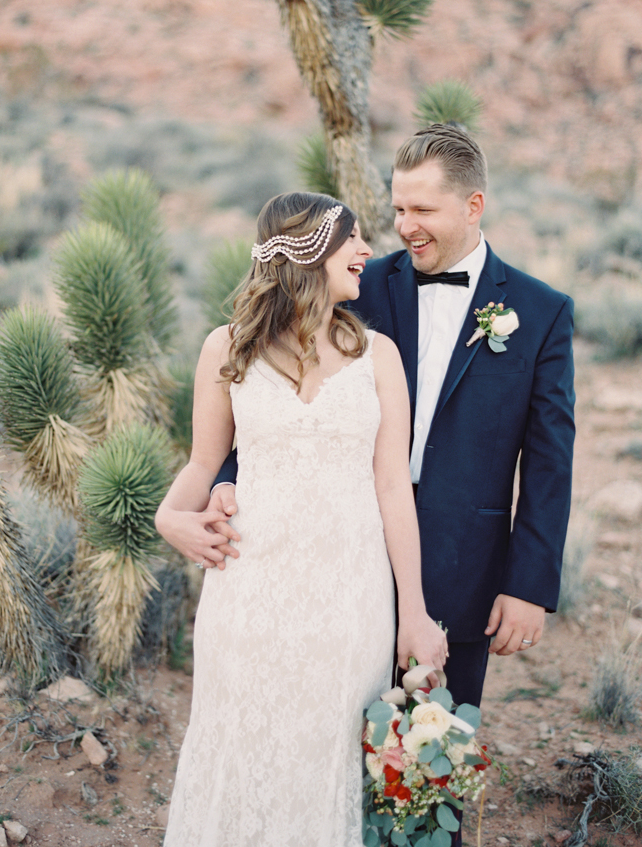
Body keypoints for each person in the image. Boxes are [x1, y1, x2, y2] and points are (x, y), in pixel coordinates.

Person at [208, 124, 575, 716]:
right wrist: (226, 477)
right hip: (340, 543)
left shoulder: (541, 312)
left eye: (423, 208)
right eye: (399, 207)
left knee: (432, 754)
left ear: (473, 205)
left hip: (464, 559)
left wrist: (528, 585)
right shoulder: (356, 283)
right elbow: (271, 388)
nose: (405, 226)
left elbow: (550, 460)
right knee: (329, 727)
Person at [155, 192, 448, 847]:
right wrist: (168, 517)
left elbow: (393, 488)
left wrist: (415, 613)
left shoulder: (380, 358)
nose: (368, 251)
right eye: (353, 238)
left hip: (350, 604)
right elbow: (203, 464)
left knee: (328, 760)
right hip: (248, 596)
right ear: (309, 249)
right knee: (242, 750)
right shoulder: (224, 350)